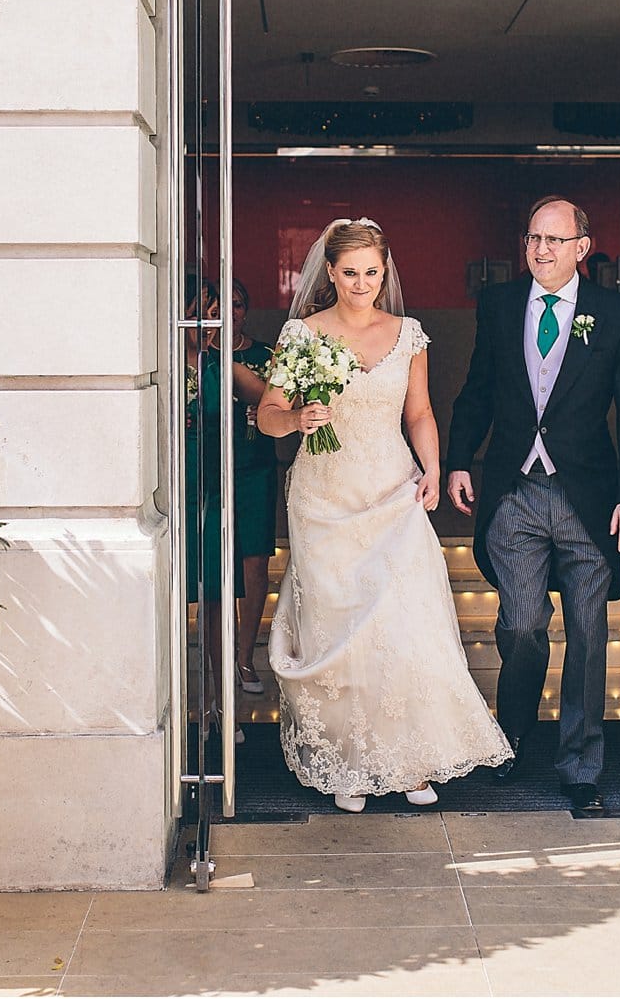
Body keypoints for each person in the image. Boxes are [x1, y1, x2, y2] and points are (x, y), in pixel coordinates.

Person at [256, 218, 511, 813]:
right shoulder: (303, 335)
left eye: (372, 272)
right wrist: (295, 421)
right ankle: (349, 760)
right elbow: (268, 411)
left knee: (404, 623)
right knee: (338, 631)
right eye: (350, 272)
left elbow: (419, 412)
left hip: (392, 491)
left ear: (385, 272)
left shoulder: (409, 335)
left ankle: (409, 760)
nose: (362, 283)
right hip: (324, 497)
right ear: (330, 272)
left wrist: (432, 467)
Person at [444, 197, 620, 814]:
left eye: (556, 241)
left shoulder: (616, 315)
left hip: (587, 498)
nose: (542, 250)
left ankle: (580, 765)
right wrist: (461, 459)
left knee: (588, 633)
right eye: (534, 238)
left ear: (582, 248)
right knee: (522, 626)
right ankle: (511, 736)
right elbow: (476, 391)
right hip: (515, 495)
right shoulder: (500, 305)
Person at [182, 275, 268, 739]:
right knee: (177, 598)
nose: (212, 321)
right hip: (179, 493)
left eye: (218, 312)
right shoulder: (166, 363)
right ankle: (180, 706)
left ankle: (218, 706)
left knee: (217, 599)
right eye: (203, 310)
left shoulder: (225, 364)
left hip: (219, 491)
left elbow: (272, 399)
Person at [222, 278, 276, 695]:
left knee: (254, 564)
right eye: (223, 304)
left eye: (238, 303)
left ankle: (244, 659)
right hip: (210, 472)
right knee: (215, 566)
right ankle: (216, 660)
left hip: (256, 468)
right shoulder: (197, 357)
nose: (232, 311)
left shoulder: (264, 356)